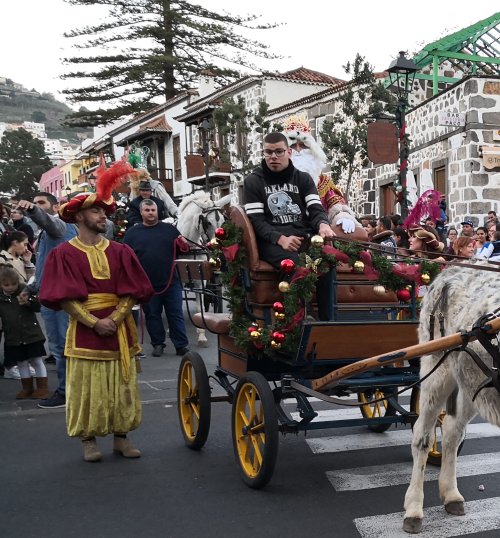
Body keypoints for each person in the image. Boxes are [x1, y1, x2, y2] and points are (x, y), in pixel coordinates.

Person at [39, 180, 154, 462]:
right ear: (78, 216)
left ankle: (121, 438)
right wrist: (94, 323)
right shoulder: (62, 254)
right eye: (96, 211)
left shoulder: (121, 251)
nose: (104, 216)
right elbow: (64, 298)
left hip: (118, 328)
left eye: (105, 212)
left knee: (122, 385)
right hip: (84, 330)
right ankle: (88, 440)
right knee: (87, 388)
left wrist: (114, 318)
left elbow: (133, 290)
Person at [243, 131, 335, 320]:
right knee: (294, 265)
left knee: (328, 263)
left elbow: (315, 209)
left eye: (279, 151)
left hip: (303, 237)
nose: (273, 157)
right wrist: (280, 239)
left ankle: (328, 322)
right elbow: (256, 221)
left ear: (289, 152)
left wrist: (323, 225)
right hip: (272, 242)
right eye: (268, 152)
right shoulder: (253, 181)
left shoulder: (303, 179)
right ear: (264, 154)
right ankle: (297, 322)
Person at [17, 193, 78, 409]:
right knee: (61, 345)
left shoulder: (60, 225)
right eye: (36, 202)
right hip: (51, 295)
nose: (37, 205)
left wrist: (33, 211)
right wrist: (30, 287)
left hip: (59, 298)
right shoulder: (45, 233)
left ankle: (66, 393)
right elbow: (42, 265)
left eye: (42, 203)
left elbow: (50, 222)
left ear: (56, 206)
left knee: (62, 346)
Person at [123, 199, 190, 357]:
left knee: (175, 313)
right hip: (147, 284)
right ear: (141, 213)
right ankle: (158, 344)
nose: (151, 213)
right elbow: (125, 257)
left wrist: (184, 244)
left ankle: (181, 345)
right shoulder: (132, 233)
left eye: (153, 210)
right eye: (147, 210)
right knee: (152, 314)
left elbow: (183, 251)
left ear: (157, 211)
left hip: (171, 281)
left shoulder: (170, 230)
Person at [0, 266, 50, 399]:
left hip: (31, 334)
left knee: (37, 361)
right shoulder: (1, 299)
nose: (10, 287)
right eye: (6, 285)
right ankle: (27, 388)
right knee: (21, 362)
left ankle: (42, 388)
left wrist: (28, 302)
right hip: (13, 337)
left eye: (13, 284)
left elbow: (38, 307)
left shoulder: (24, 292)